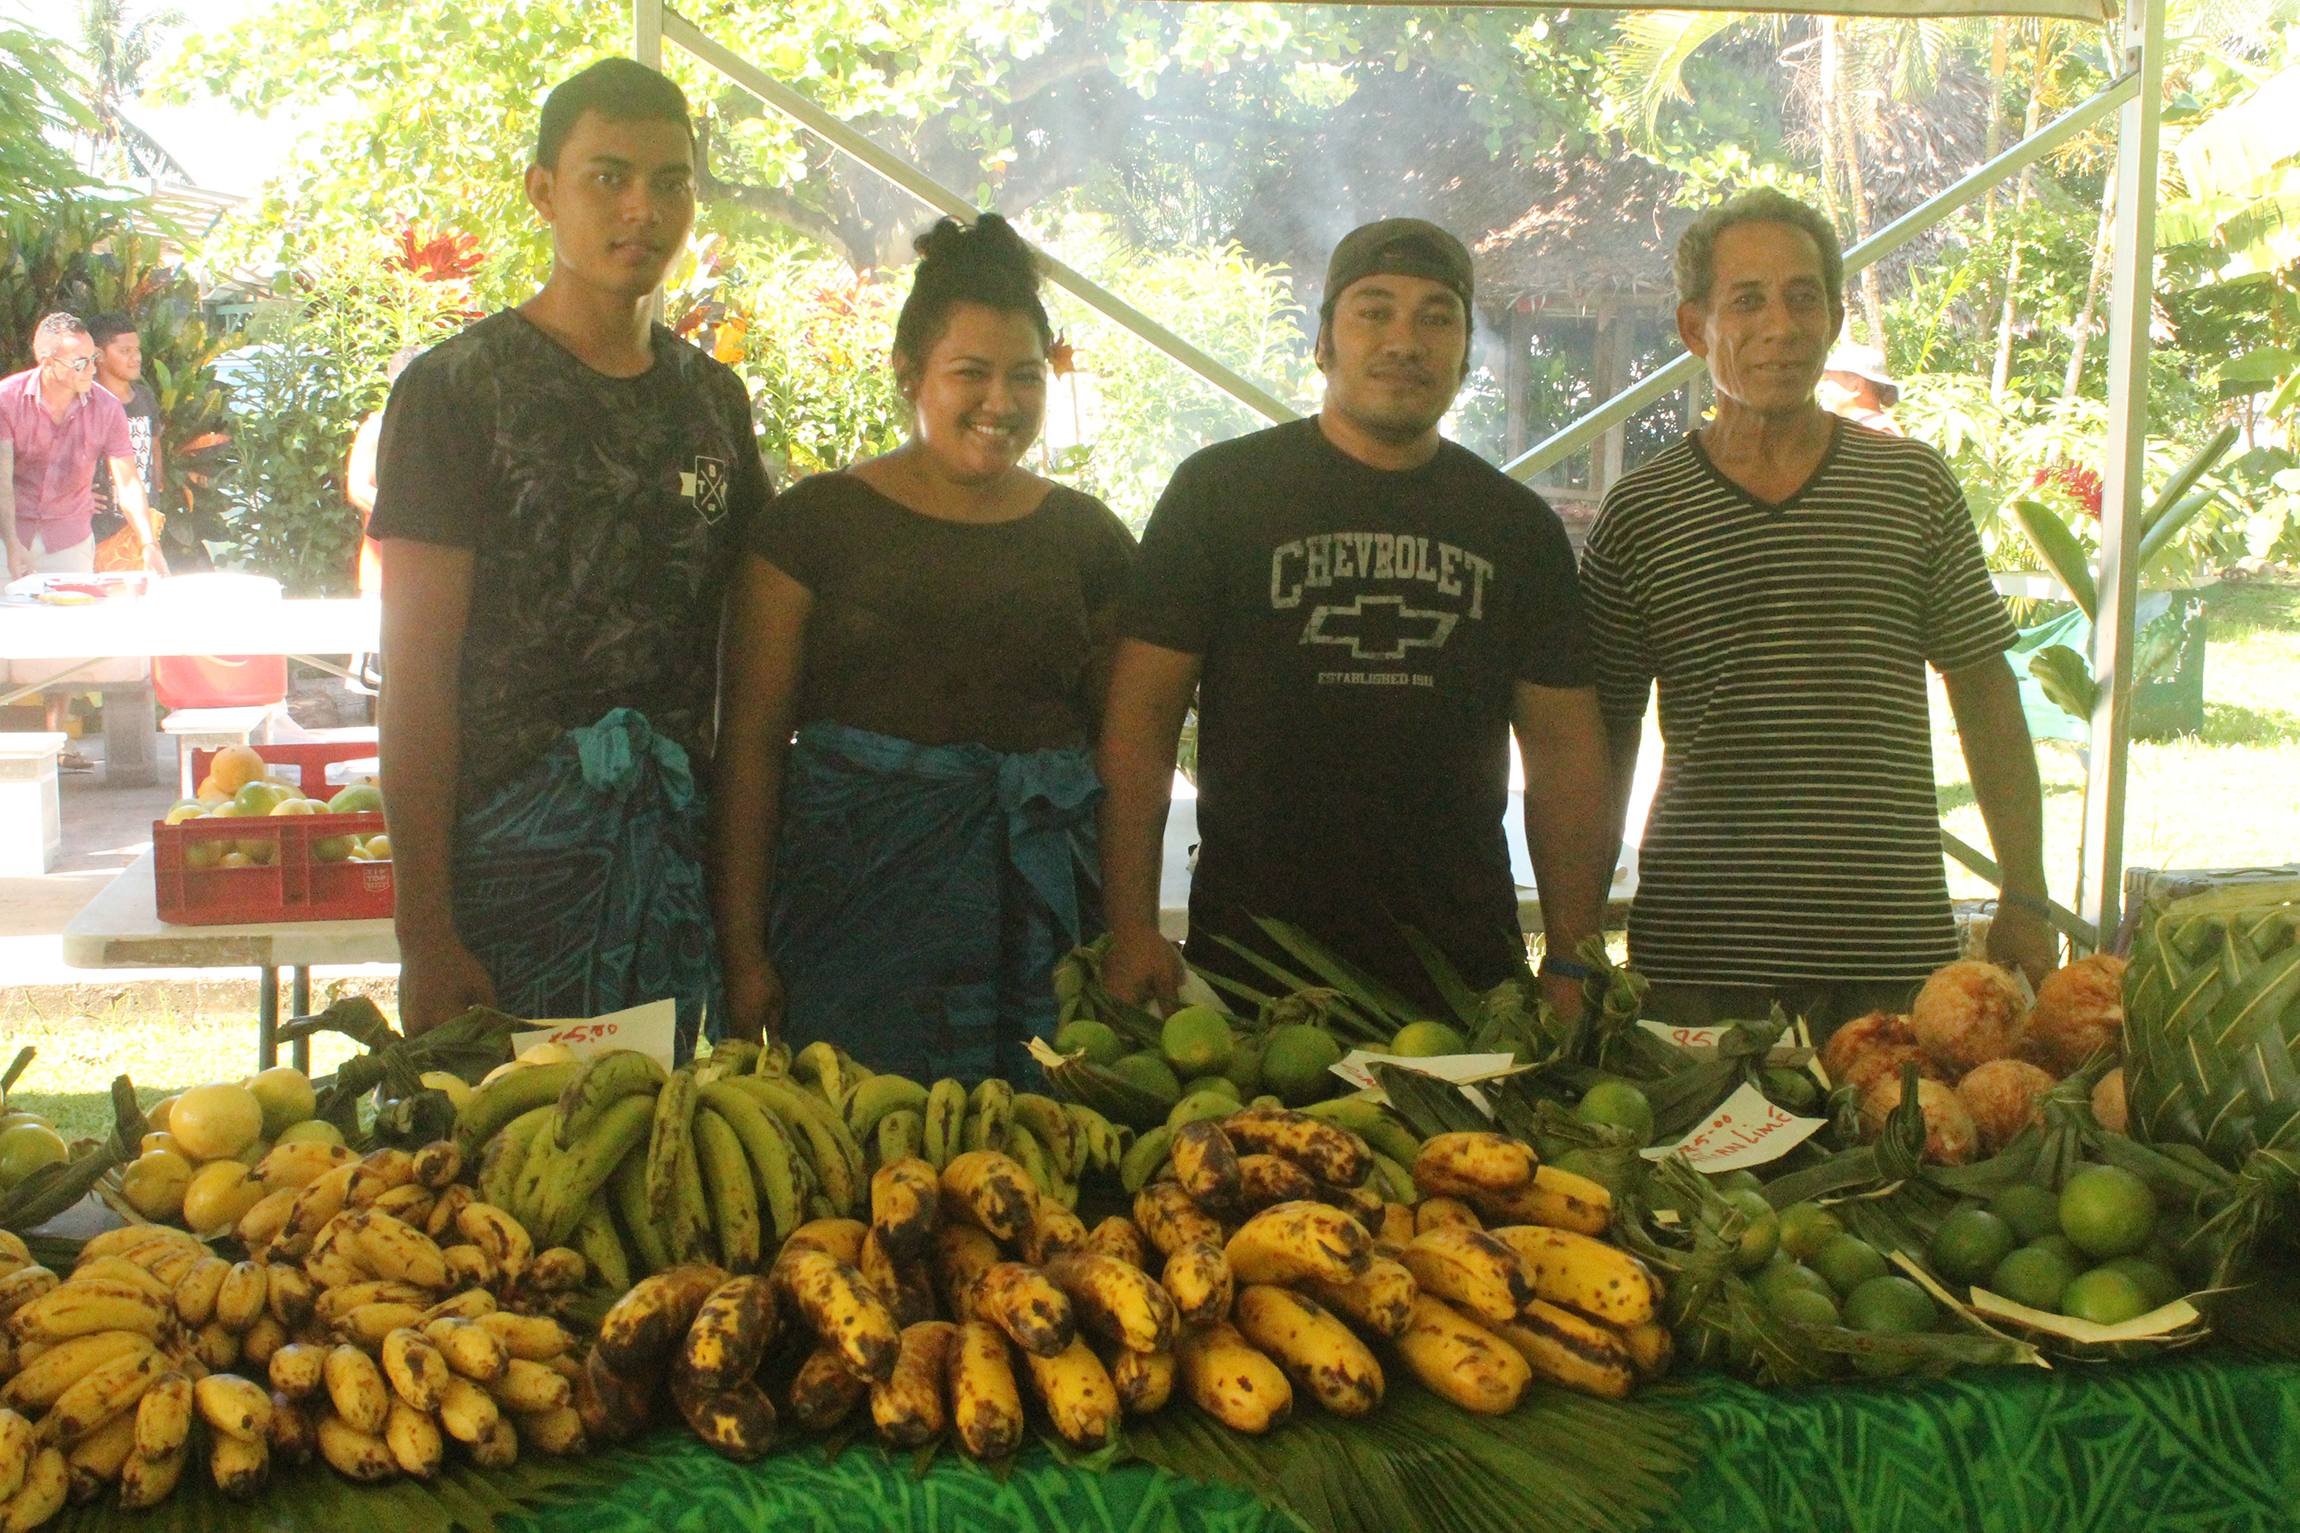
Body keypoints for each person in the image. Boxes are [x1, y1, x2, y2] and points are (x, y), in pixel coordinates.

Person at [1096, 218, 1614, 1019]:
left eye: (1436, 316)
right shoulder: (1219, 495)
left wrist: (1575, 959)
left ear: (1466, 353)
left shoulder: (1516, 529)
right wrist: (1129, 926)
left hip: (1464, 983)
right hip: (1251, 978)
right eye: (1374, 310)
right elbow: (1139, 726)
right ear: (1323, 343)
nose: (1405, 339)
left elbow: (1567, 757)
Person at [1579, 189, 2053, 1040]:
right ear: (1696, 329)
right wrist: (1575, 939)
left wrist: (2024, 891)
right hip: (1698, 958)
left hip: (1889, 950)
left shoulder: (1911, 489)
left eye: (1805, 297)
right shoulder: (1642, 513)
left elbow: (1984, 690)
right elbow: (1599, 739)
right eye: (1748, 300)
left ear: (1835, 317)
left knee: (1896, 1163)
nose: (1782, 327)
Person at [370, 59, 768, 1049]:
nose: (641, 207)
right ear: (542, 190)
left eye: (669, 180)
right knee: (514, 1178)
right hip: (506, 877)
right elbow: (414, 674)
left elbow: (744, 668)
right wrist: (424, 932)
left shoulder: (713, 403)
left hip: (675, 871)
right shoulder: (457, 391)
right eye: (608, 175)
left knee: (676, 1168)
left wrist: (742, 924)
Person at [712, 214, 1135, 1079]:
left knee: (1041, 1169)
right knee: (864, 1167)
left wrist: (1129, 925)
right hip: (856, 917)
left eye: (1025, 376)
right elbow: (751, 749)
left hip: (1044, 919)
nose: (1001, 402)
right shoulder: (811, 525)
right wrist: (744, 949)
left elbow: (1127, 751)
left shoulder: (1087, 537)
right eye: (969, 374)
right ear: (909, 374)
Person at [1, 313, 166, 581]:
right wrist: (10, 543)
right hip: (8, 535)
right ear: (47, 363)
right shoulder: (6, 400)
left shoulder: (108, 407)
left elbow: (128, 483)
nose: (91, 369)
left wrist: (148, 543)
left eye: (92, 359)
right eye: (80, 362)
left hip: (71, 540)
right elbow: (2, 482)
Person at [86, 314, 170, 573]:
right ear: (98, 355)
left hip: (142, 525)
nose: (136, 358)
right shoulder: (86, 400)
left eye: (137, 350)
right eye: (125, 351)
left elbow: (153, 444)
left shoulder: (145, 396)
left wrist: (157, 488)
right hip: (98, 529)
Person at [345, 347, 423, 597]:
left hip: (431, 572)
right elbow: (357, 490)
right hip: (384, 572)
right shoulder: (376, 428)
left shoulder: (442, 429)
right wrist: (412, 517)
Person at [1819, 341, 1902, 435]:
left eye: (1828, 380)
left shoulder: (1879, 432)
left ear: (1856, 386)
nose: (1820, 387)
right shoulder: (1864, 429)